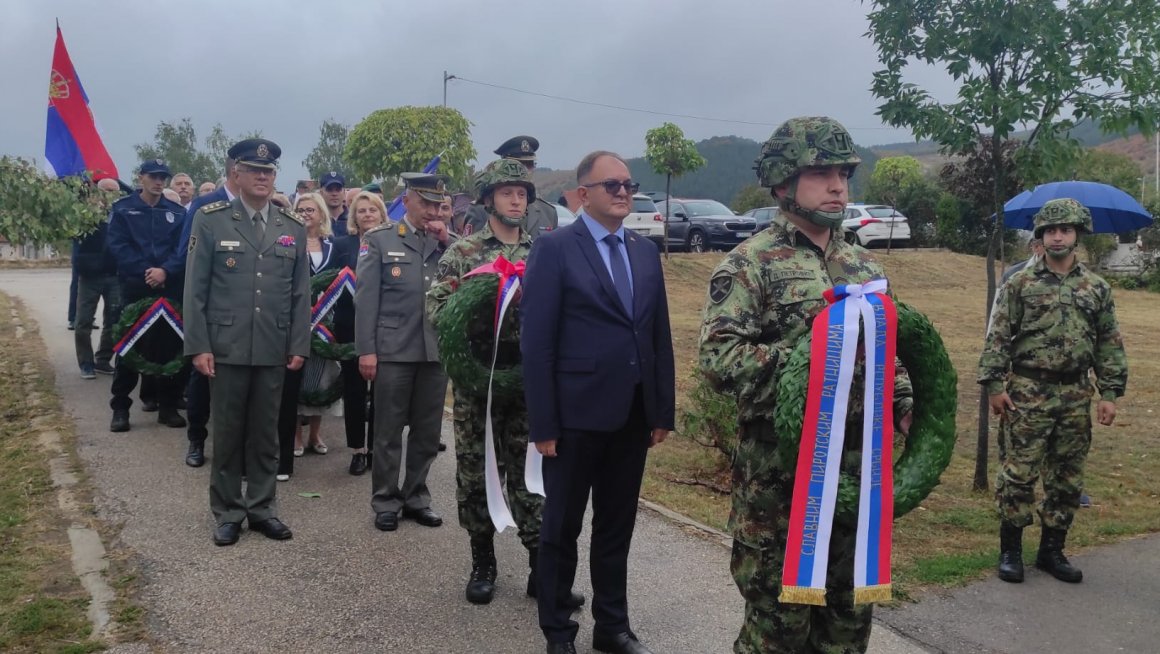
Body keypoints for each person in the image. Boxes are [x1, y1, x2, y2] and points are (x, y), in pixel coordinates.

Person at [697, 116, 914, 654]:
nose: (839, 185)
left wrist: (903, 398)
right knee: (778, 632)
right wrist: (809, 364)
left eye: (844, 172)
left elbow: (886, 350)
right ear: (782, 182)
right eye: (822, 173)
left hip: (857, 477)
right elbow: (719, 357)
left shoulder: (861, 262)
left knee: (848, 628)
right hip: (781, 487)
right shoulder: (751, 263)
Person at [521, 151, 675, 654]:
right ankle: (558, 632)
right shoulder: (556, 249)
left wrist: (660, 410)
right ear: (582, 194)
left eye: (629, 184)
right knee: (561, 527)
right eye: (612, 185)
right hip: (572, 417)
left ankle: (612, 626)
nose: (624, 193)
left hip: (630, 414)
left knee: (617, 526)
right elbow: (538, 341)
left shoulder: (644, 251)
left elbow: (657, 336)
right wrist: (542, 422)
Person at [429, 159, 584, 608]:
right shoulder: (463, 253)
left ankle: (542, 568)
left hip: (530, 380)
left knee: (534, 471)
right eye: (506, 193)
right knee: (478, 469)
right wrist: (482, 302)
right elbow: (438, 312)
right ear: (487, 200)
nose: (516, 200)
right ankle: (483, 563)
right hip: (480, 377)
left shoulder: (543, 251)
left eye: (522, 193)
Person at [979, 197, 1127, 584]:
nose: (1057, 237)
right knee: (1019, 474)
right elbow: (998, 338)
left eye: (1065, 230)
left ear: (1077, 235)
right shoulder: (1020, 284)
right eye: (1050, 231)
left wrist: (1109, 393)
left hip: (1076, 394)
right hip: (1028, 391)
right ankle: (1010, 550)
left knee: (1066, 478)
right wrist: (995, 384)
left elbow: (1108, 344)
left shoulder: (1096, 288)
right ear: (1040, 237)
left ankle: (1052, 550)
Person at [183, 138, 309, 546]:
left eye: (269, 171)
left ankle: (262, 506)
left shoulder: (291, 227)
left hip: (273, 345)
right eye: (254, 170)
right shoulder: (211, 219)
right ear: (235, 175)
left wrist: (298, 344)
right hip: (227, 345)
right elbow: (195, 289)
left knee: (266, 433)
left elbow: (299, 294)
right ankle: (227, 511)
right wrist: (199, 345)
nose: (262, 177)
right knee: (229, 430)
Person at [355, 172, 452, 533]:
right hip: (392, 350)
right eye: (425, 203)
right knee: (388, 429)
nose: (431, 211)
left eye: (437, 204)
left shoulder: (446, 243)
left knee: (427, 432)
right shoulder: (379, 240)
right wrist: (367, 350)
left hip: (433, 351)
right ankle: (385, 499)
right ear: (407, 200)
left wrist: (447, 240)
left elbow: (468, 272)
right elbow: (366, 300)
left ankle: (416, 497)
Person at [105, 160, 189, 433]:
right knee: (129, 347)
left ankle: (166, 406)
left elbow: (183, 248)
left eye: (163, 177)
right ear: (141, 177)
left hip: (168, 287)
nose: (158, 181)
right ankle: (120, 407)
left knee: (167, 347)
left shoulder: (176, 213)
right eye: (153, 176)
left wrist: (165, 271)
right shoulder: (124, 209)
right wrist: (146, 272)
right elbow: (118, 246)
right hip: (135, 287)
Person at [173, 157, 239, 468]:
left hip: (249, 312)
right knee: (203, 378)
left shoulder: (265, 208)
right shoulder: (205, 205)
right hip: (214, 309)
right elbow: (190, 256)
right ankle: (197, 440)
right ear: (235, 172)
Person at [273, 192, 339, 482]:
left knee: (320, 376)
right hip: (294, 319)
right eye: (301, 209)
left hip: (326, 320)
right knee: (295, 378)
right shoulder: (286, 241)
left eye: (311, 209)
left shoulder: (333, 246)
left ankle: (315, 433)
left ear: (322, 214)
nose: (306, 214)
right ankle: (295, 437)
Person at [334, 191, 388, 475]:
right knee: (354, 390)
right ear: (353, 216)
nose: (367, 215)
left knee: (381, 392)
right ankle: (358, 449)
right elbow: (329, 283)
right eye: (361, 210)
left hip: (384, 326)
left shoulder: (393, 242)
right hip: (349, 324)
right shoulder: (341, 244)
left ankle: (376, 448)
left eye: (373, 210)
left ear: (382, 214)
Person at [73, 177, 122, 379]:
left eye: (114, 191)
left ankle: (103, 359)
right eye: (106, 190)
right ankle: (86, 362)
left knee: (114, 320)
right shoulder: (85, 215)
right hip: (90, 276)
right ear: (98, 192)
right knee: (83, 322)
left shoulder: (122, 215)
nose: (110, 195)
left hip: (114, 276)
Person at [464, 136, 559, 238]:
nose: (524, 170)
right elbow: (469, 249)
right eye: (517, 165)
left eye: (529, 164)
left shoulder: (548, 212)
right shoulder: (481, 209)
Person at [320, 171, 348, 235]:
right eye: (329, 190)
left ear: (344, 192)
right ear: (321, 193)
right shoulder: (316, 220)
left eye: (338, 190)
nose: (334, 194)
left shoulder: (353, 219)